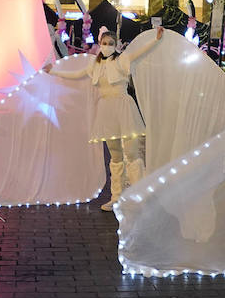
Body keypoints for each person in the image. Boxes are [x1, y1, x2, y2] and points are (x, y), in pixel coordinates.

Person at [43, 27, 165, 210]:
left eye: (110, 44)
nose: (107, 46)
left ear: (115, 46)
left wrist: (156, 39)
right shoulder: (95, 65)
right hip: (106, 110)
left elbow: (139, 53)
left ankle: (140, 195)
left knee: (132, 154)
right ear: (100, 44)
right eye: (104, 43)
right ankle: (117, 196)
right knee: (115, 156)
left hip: (123, 107)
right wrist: (53, 71)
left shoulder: (122, 59)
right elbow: (76, 74)